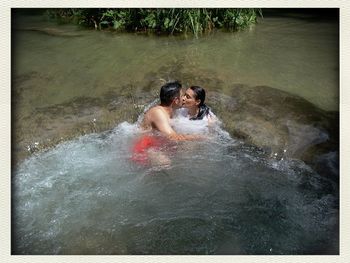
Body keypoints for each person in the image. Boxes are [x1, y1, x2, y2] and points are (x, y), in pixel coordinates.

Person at [131, 81, 199, 165]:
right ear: (176, 100)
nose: (184, 98)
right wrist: (199, 137)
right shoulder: (158, 112)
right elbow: (173, 137)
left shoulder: (171, 111)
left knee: (190, 148)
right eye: (182, 96)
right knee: (165, 163)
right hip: (145, 148)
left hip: (157, 143)